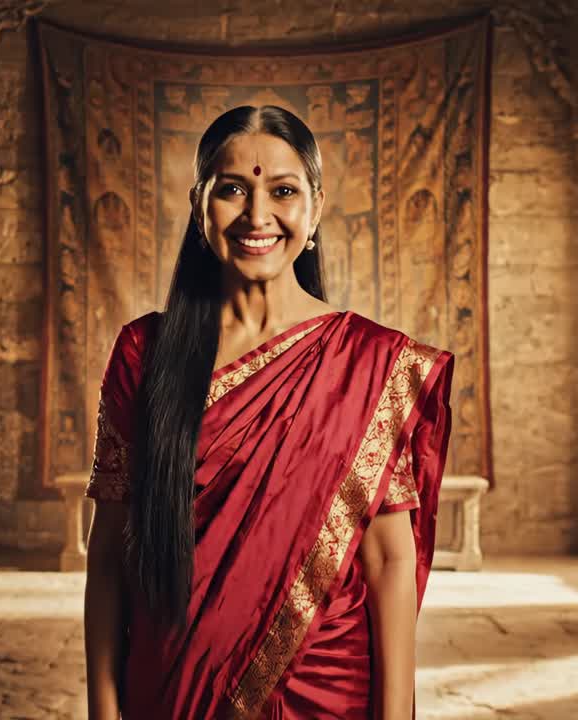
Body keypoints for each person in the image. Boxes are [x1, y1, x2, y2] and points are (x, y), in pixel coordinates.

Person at [83, 104, 454, 719]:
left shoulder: (370, 361)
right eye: (233, 189)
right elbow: (111, 554)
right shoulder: (145, 353)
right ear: (200, 205)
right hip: (172, 691)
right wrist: (103, 709)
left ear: (316, 207)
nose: (258, 215)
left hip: (325, 692)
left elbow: (389, 561)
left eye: (282, 190)